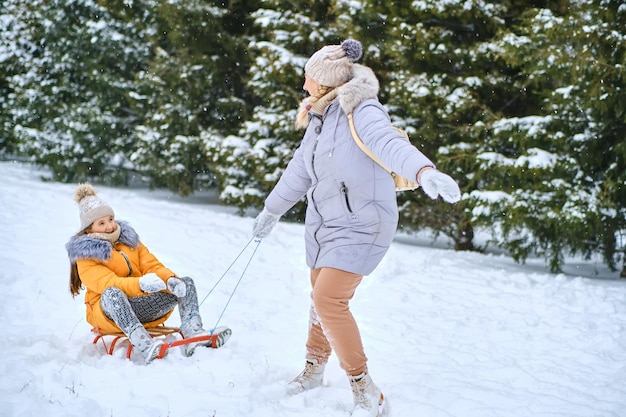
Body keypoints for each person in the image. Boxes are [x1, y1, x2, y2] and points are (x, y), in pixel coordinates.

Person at [252, 39, 461, 416]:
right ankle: (314, 369)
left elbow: (386, 144)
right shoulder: (318, 119)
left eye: (309, 78)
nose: (304, 86)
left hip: (364, 223)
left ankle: (365, 388)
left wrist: (424, 171)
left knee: (329, 300)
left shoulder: (361, 110)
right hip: (325, 225)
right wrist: (271, 211)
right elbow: (298, 171)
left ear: (328, 82)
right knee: (319, 297)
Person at [66, 183, 231, 364]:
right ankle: (143, 343)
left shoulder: (129, 241)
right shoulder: (85, 255)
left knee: (185, 282)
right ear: (88, 229)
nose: (109, 226)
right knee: (112, 293)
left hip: (140, 306)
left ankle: (193, 331)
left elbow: (151, 265)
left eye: (111, 219)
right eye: (101, 223)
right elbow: (108, 282)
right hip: (109, 313)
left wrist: (169, 280)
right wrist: (140, 285)